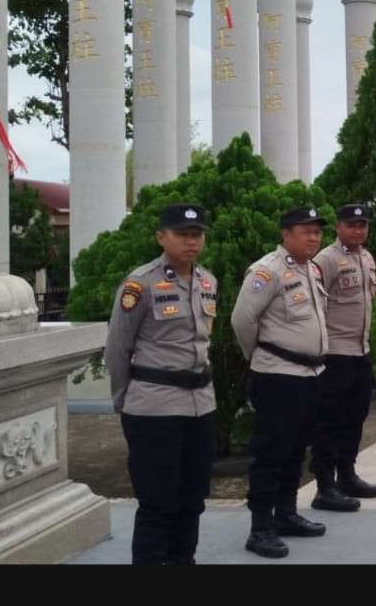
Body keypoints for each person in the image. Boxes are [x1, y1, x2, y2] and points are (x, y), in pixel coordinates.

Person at [103, 203, 219, 565]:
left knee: (193, 498)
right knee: (157, 502)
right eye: (182, 234)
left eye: (197, 234)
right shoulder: (141, 284)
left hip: (201, 405)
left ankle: (184, 560)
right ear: (161, 236)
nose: (191, 241)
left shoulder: (207, 281)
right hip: (154, 408)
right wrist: (124, 400)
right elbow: (117, 348)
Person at [230, 207, 331, 559]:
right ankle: (260, 528)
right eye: (307, 231)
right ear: (286, 234)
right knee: (271, 453)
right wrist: (259, 357)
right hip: (278, 376)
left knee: (296, 449)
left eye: (318, 232)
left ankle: (286, 514)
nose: (314, 237)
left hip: (311, 375)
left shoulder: (311, 270)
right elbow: (243, 320)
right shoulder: (267, 271)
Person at [309, 204, 376, 513]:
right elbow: (314, 305)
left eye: (362, 225)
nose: (358, 230)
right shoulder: (326, 259)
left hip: (360, 352)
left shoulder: (366, 257)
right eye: (352, 225)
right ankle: (325, 486)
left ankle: (347, 475)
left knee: (355, 417)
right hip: (335, 355)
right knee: (330, 421)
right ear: (338, 227)